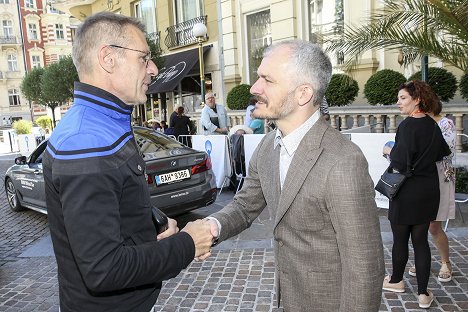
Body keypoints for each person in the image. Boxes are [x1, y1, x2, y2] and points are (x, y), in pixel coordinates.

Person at [42, 12, 214, 312]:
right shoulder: (88, 142)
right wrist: (187, 244)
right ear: (108, 58)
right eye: (144, 58)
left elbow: (117, 199)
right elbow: (103, 269)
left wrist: (154, 225)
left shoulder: (104, 123)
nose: (153, 68)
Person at [204, 40, 385, 311]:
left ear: (303, 94)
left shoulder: (343, 161)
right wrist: (209, 227)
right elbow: (244, 207)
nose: (254, 88)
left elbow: (365, 266)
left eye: (267, 79)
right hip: (288, 300)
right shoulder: (267, 146)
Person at [382, 80, 450, 309]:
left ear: (417, 99)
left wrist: (388, 150)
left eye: (402, 98)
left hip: (404, 190)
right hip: (427, 190)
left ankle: (396, 281)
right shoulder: (433, 125)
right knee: (420, 241)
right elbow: (442, 153)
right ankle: (423, 294)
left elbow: (399, 161)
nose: (398, 103)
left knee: (400, 239)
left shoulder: (405, 126)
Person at [407, 100, 456, 282]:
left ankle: (445, 262)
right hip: (421, 178)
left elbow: (447, 152)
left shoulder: (445, 124)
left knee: (433, 226)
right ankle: (422, 261)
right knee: (418, 225)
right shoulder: (415, 123)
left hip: (440, 178)